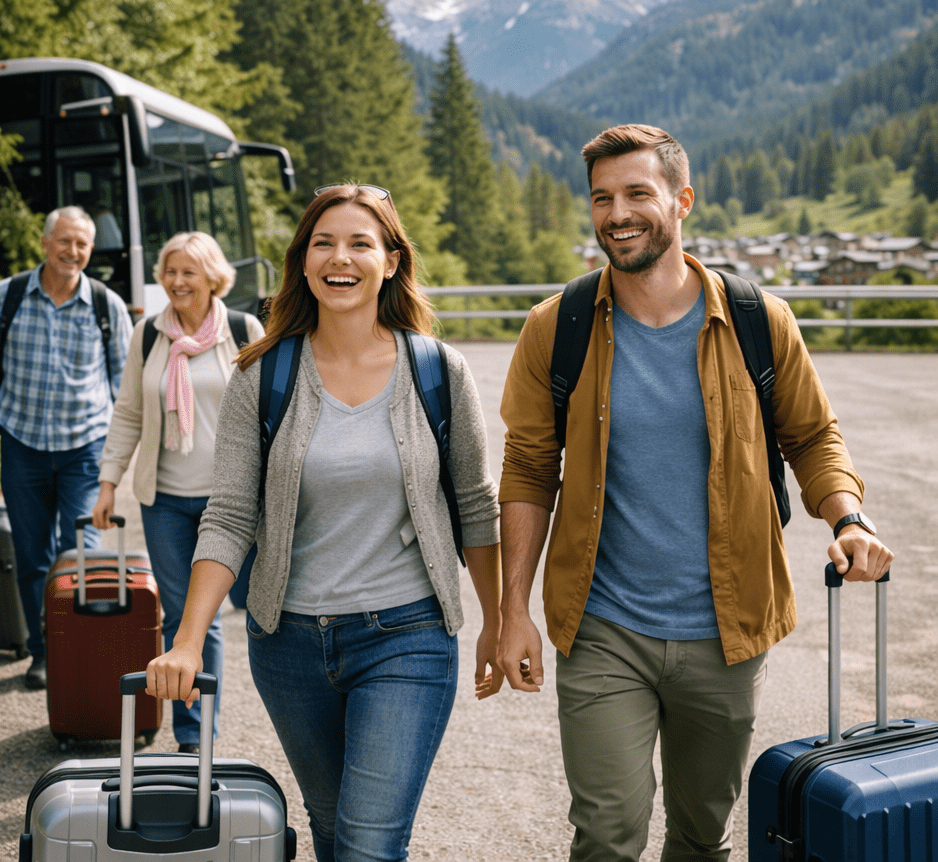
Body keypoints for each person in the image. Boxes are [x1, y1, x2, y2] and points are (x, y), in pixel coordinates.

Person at [496, 124, 894, 862]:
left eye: (637, 193)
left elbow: (812, 437)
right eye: (602, 198)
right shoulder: (559, 326)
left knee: (702, 836)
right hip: (603, 627)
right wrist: (510, 608)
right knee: (608, 834)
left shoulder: (756, 319)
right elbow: (526, 467)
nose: (618, 213)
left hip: (727, 630)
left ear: (681, 200)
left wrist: (848, 518)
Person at [146, 183, 503, 861]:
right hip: (289, 645)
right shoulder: (264, 375)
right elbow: (227, 516)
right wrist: (188, 641)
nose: (341, 257)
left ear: (391, 261)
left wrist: (501, 616)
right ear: (304, 263)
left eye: (361, 243)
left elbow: (476, 505)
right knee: (334, 831)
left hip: (407, 635)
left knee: (368, 846)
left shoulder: (437, 370)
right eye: (324, 242)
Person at [92, 231, 263, 753]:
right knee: (190, 618)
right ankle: (195, 740)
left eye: (189, 272)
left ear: (214, 277)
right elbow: (126, 413)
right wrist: (108, 482)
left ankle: (295, 704)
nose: (177, 281)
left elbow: (270, 413)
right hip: (164, 499)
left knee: (262, 611)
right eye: (169, 271)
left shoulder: (242, 329)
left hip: (233, 503)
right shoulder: (148, 334)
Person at [0, 206, 132, 690]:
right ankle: (43, 651)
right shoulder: (7, 296)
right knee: (31, 556)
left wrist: (120, 454)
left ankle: (82, 648)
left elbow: (124, 383)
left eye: (83, 245)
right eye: (66, 241)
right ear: (46, 243)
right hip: (22, 442)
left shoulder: (105, 303)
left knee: (81, 553)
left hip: (85, 446)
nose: (74, 252)